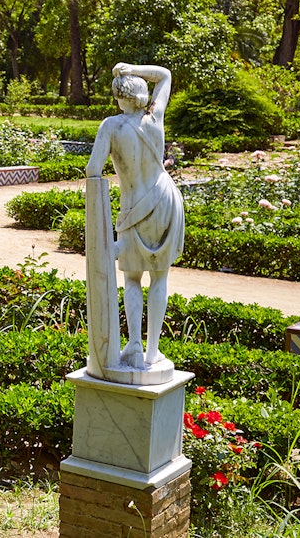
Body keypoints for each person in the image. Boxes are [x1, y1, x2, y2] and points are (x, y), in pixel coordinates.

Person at [86, 62, 184, 369]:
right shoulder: (154, 117)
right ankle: (153, 350)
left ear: (118, 98)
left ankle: (133, 343)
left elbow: (92, 171)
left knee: (131, 277)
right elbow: (166, 75)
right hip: (166, 200)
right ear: (142, 94)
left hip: (135, 207)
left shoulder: (111, 126)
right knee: (160, 276)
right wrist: (134, 68)